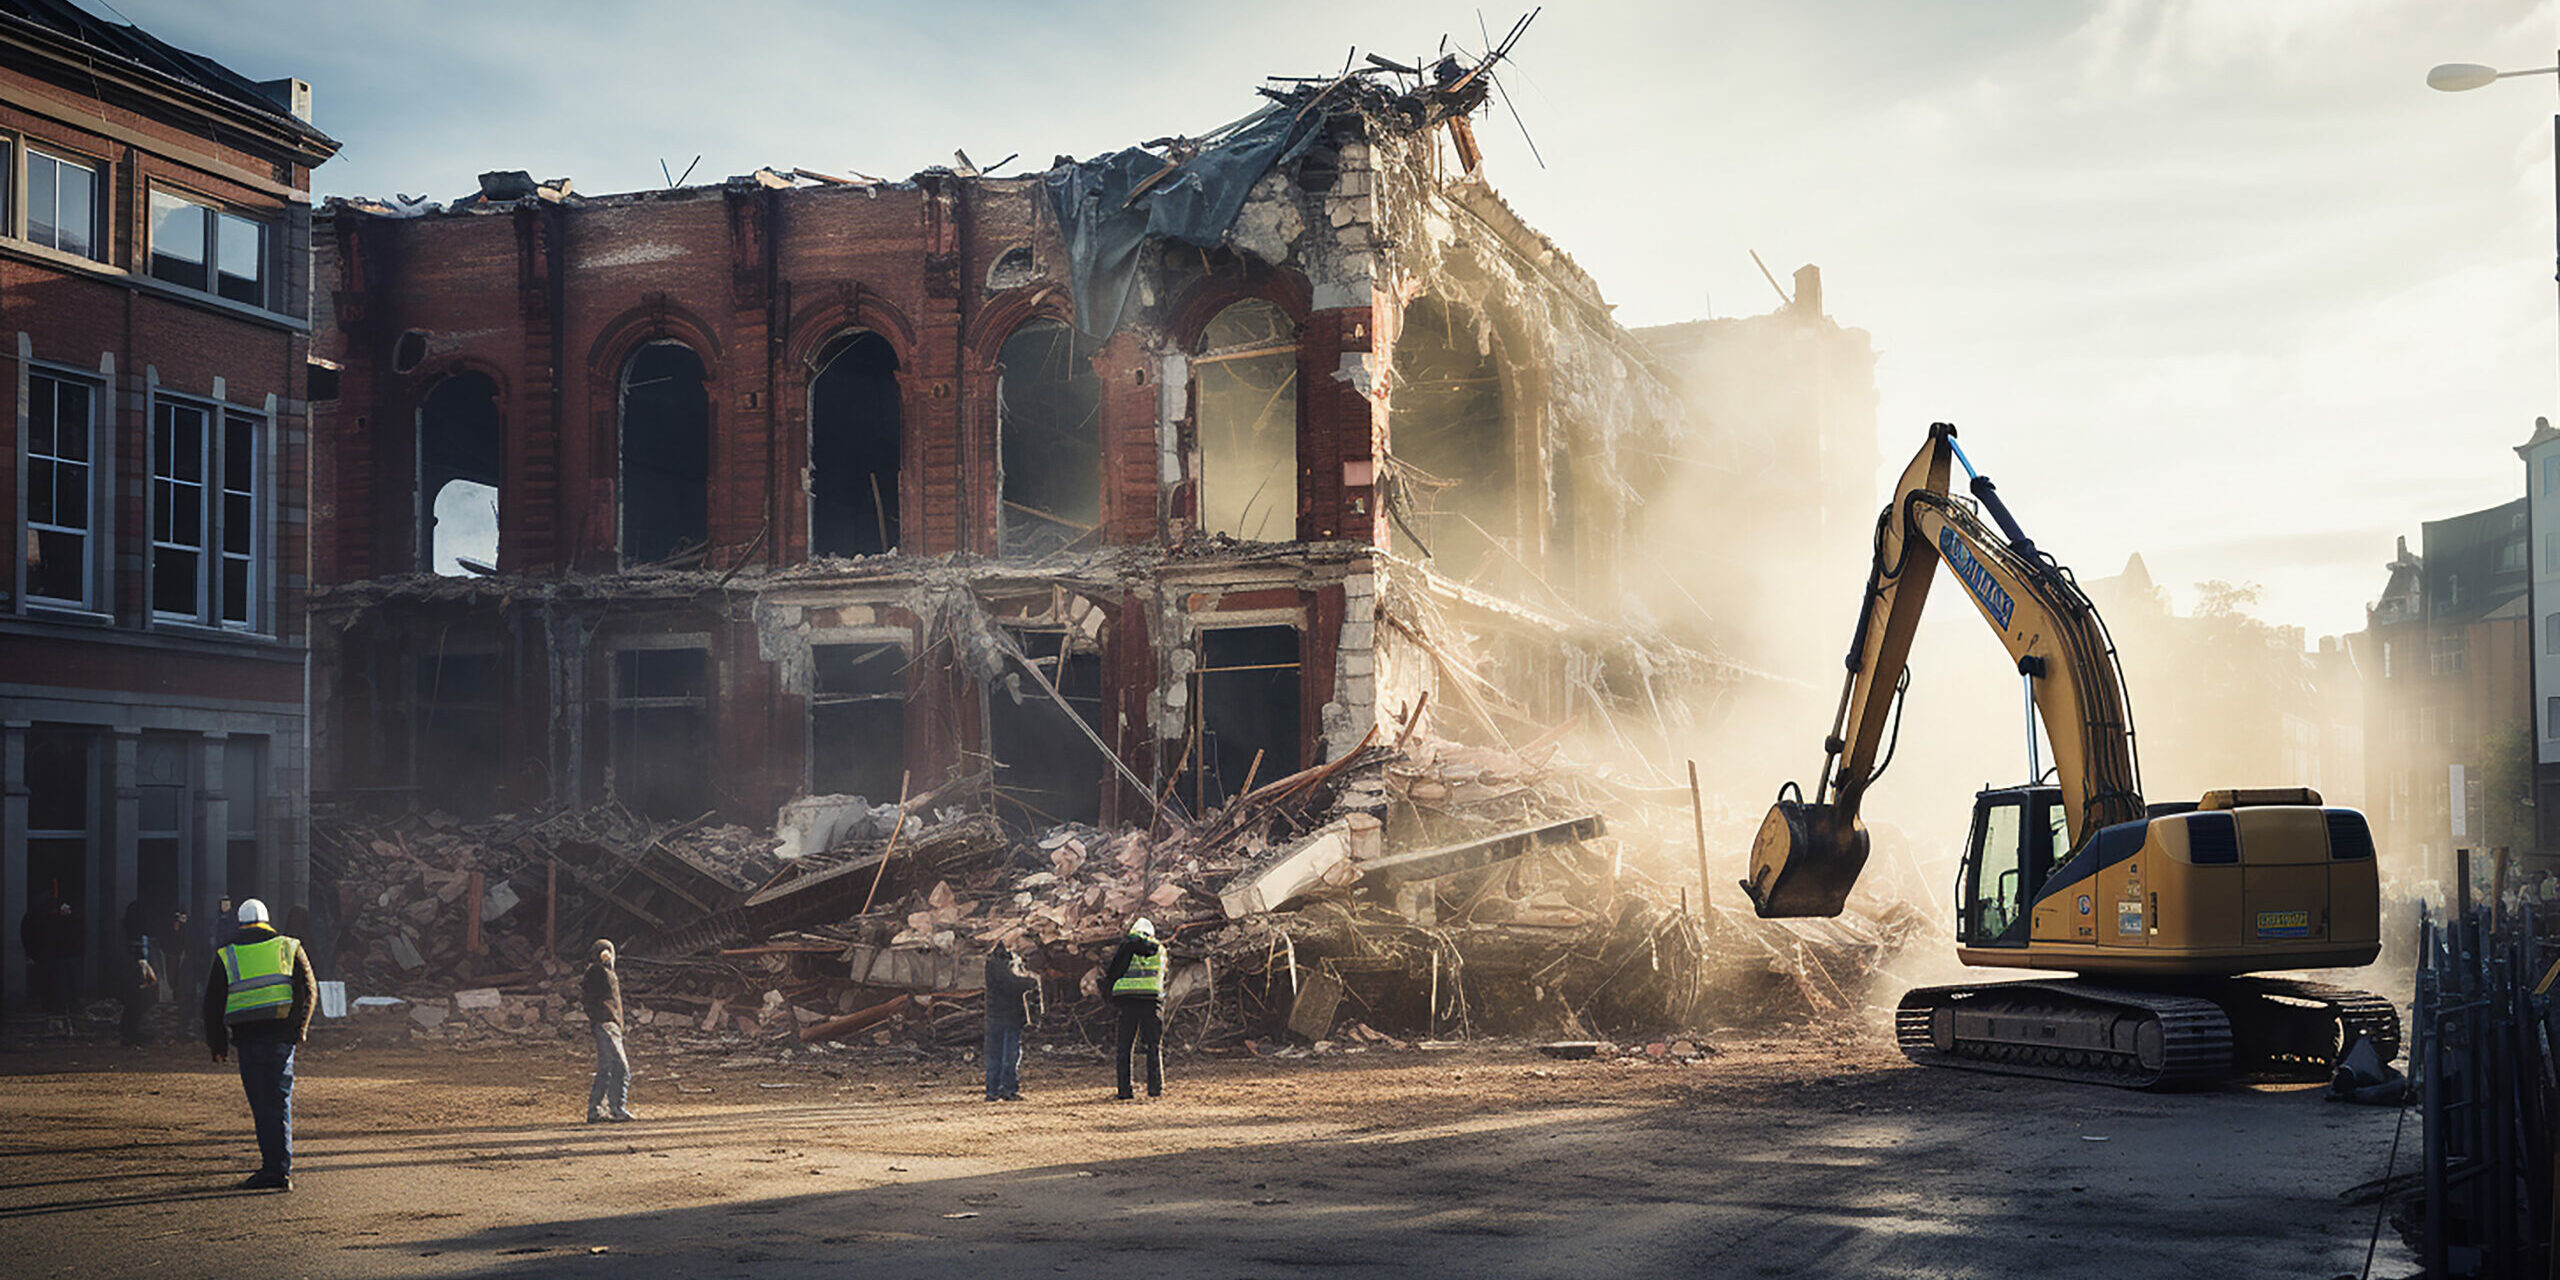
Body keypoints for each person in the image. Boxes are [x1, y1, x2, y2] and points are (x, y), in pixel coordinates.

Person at [202, 898, 316, 1191]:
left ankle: (272, 1168)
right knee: (279, 1103)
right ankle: (279, 1170)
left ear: (239, 922)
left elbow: (212, 1003)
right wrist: (298, 1030)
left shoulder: (227, 955)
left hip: (248, 1041)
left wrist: (219, 1044)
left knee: (262, 1106)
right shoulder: (289, 947)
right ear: (267, 920)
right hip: (280, 1040)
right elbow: (308, 990)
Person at [1101, 917, 1166, 1101]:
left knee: (1124, 1047)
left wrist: (1108, 994)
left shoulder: (1126, 946)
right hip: (1152, 1000)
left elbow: (1114, 971)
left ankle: (1124, 1090)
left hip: (1127, 1001)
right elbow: (1162, 975)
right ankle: (1155, 1088)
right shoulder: (1160, 949)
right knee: (1154, 1046)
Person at [982, 937, 1042, 1101]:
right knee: (1009, 1054)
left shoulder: (995, 960)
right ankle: (1006, 1089)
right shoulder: (1000, 961)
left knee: (996, 1054)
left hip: (998, 1013)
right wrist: (1031, 981)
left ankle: (993, 1090)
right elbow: (1010, 983)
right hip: (1007, 1015)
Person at [581, 939, 634, 1123]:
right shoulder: (598, 972)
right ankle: (614, 1109)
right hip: (606, 1024)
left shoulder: (603, 972)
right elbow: (589, 999)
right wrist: (601, 1018)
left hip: (608, 1024)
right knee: (618, 1068)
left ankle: (600, 1110)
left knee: (609, 1068)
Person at [117, 933, 158, 1048]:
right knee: (139, 993)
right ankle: (129, 1031)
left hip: (142, 946)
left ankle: (130, 1030)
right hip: (139, 948)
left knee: (143, 994)